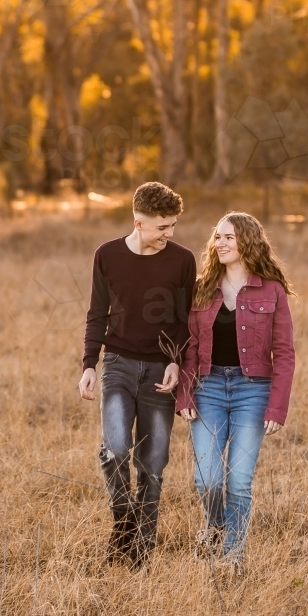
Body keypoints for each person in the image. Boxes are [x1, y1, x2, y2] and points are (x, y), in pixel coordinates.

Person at [78, 182, 196, 567]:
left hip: (162, 369)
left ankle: (142, 550)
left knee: (153, 462)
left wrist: (178, 361)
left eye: (173, 225)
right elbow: (97, 314)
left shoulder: (182, 260)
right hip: (118, 365)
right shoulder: (107, 255)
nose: (170, 234)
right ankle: (124, 522)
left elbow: (184, 320)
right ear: (138, 222)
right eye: (163, 227)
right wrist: (88, 365)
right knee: (114, 449)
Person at [176, 212, 295, 572]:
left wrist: (277, 408)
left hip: (253, 391)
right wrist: (185, 395)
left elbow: (285, 353)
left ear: (248, 242)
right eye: (218, 237)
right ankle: (214, 525)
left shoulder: (271, 289)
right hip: (208, 387)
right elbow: (189, 347)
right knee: (207, 479)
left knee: (239, 481)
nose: (221, 243)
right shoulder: (201, 287)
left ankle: (233, 555)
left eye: (229, 237)